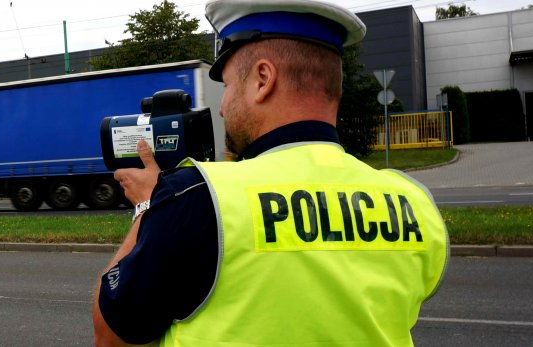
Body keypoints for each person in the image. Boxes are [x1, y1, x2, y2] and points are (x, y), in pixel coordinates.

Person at [92, 0, 449, 346]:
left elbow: (112, 337)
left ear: (263, 79)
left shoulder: (198, 198)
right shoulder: (413, 201)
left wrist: (147, 206)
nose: (220, 107)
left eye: (228, 85)